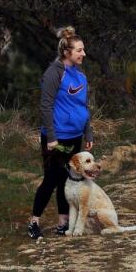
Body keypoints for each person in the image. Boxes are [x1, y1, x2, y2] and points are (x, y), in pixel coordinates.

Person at [28, 26, 94, 239]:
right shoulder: (54, 73)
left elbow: (84, 106)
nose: (83, 54)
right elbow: (46, 106)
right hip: (56, 137)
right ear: (67, 52)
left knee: (68, 179)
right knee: (51, 179)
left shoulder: (81, 76)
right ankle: (34, 222)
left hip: (75, 136)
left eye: (83, 50)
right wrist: (52, 138)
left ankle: (63, 223)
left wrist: (88, 133)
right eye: (79, 50)